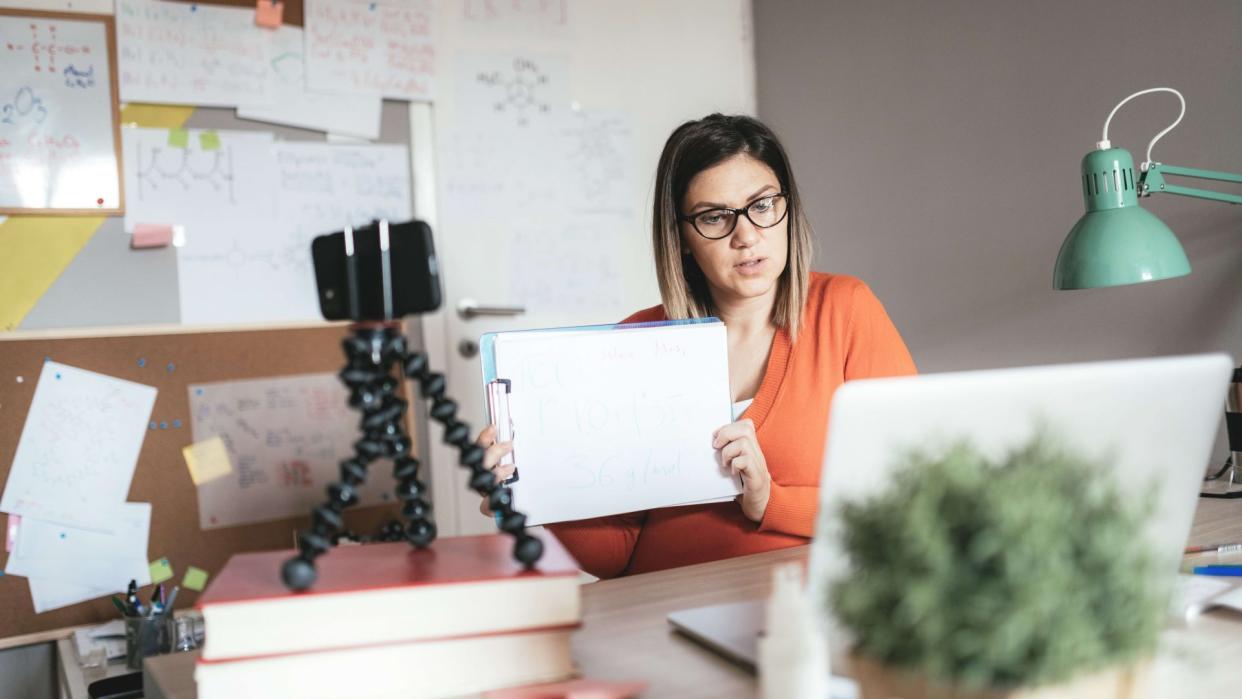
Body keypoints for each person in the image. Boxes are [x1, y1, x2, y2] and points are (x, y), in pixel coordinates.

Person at [475, 114, 916, 579]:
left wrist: (770, 500)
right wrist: (534, 486)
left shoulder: (845, 311)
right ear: (682, 237)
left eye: (763, 205)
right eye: (714, 217)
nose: (746, 236)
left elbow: (908, 500)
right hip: (658, 612)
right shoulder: (632, 345)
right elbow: (615, 558)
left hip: (797, 609)